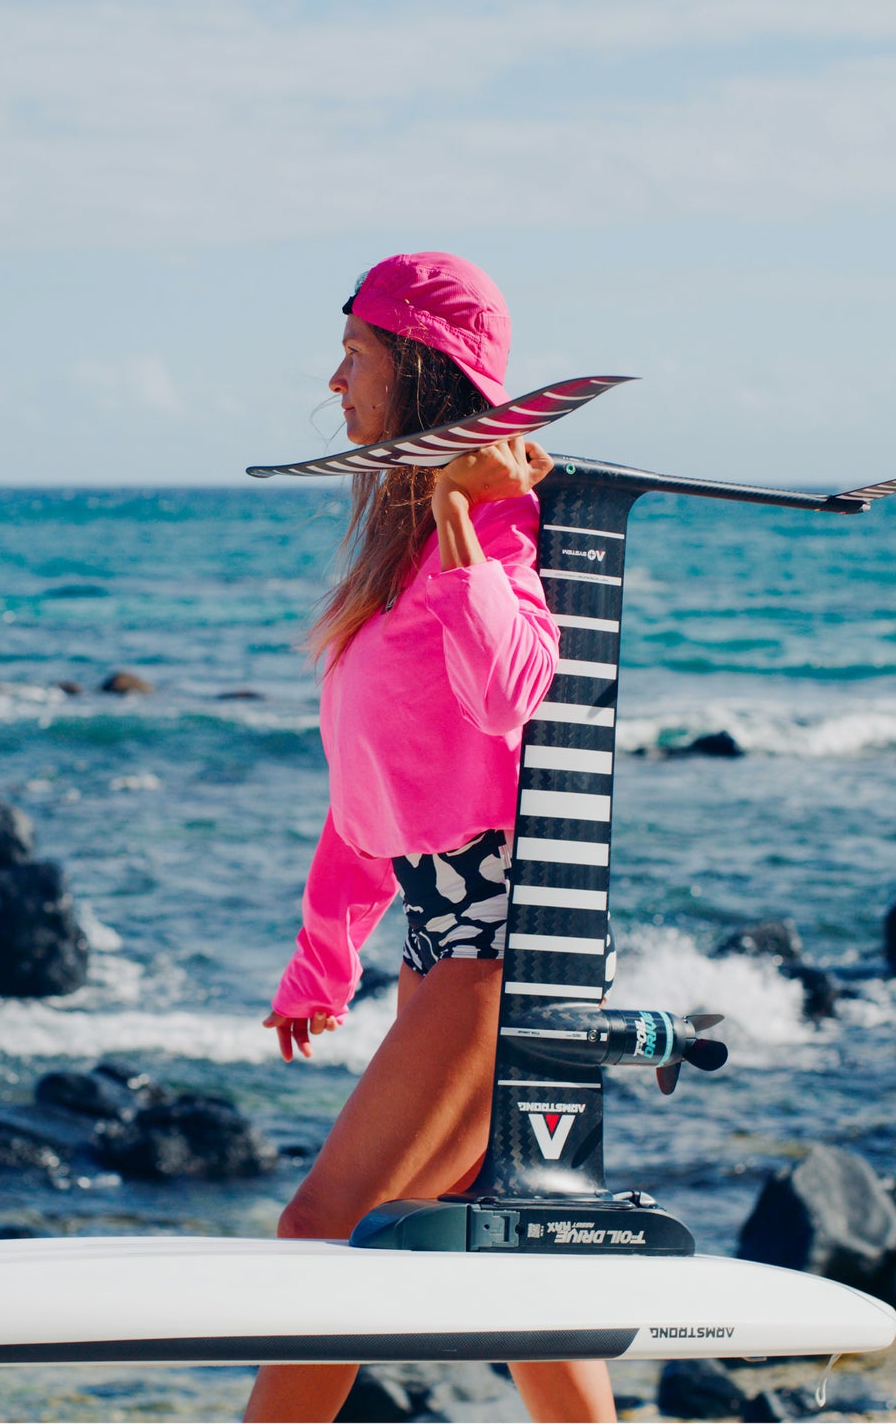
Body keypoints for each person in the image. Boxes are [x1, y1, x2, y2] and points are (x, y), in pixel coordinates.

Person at [243, 253, 617, 1424]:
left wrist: (467, 512)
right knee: (503, 1271)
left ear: (416, 370)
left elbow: (512, 690)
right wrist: (322, 961)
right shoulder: (397, 567)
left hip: (508, 947)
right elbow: (370, 794)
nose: (335, 382)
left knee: (325, 1231)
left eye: (354, 356)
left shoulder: (494, 533)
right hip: (442, 940)